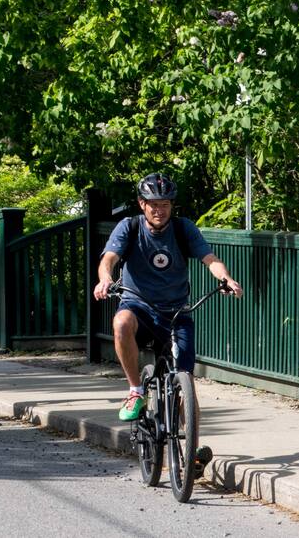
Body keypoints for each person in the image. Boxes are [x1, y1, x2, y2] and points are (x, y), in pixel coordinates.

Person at [93, 173, 243, 474]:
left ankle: (192, 448)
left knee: (185, 381)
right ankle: (136, 390)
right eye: (153, 204)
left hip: (176, 312)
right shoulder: (129, 227)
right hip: (138, 306)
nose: (159, 210)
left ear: (171, 206)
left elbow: (210, 259)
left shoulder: (183, 228)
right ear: (142, 204)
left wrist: (226, 278)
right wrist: (105, 279)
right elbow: (109, 258)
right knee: (121, 322)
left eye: (164, 204)